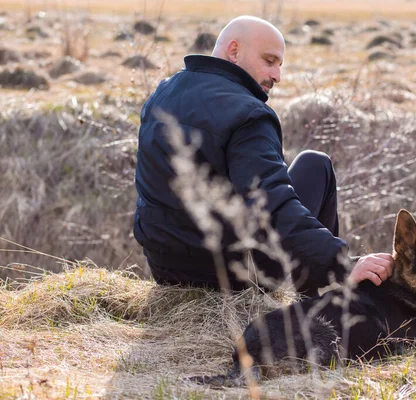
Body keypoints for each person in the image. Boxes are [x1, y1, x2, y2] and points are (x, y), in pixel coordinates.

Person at [133, 16, 393, 296]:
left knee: (308, 164)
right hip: (229, 273)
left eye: (280, 65)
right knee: (318, 165)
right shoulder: (248, 113)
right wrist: (341, 262)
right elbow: (274, 206)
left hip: (164, 266)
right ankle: (319, 298)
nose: (277, 76)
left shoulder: (163, 93)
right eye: (270, 61)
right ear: (234, 51)